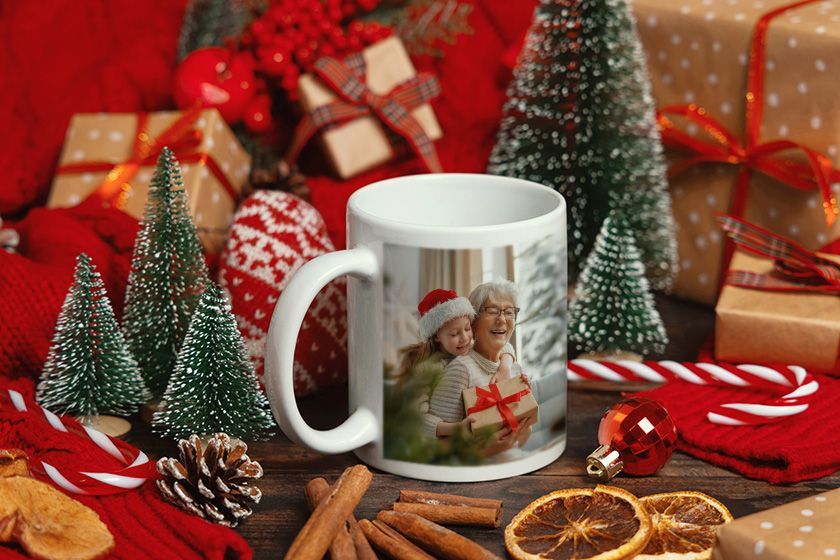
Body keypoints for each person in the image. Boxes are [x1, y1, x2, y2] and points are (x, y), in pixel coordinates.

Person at [426, 280, 534, 454]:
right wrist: (486, 451)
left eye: (509, 312)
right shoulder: (461, 370)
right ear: (473, 321)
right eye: (492, 311)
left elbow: (523, 437)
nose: (502, 319)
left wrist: (524, 425)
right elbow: (432, 446)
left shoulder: (514, 368)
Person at [396, 288, 515, 438]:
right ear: (437, 336)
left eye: (467, 329)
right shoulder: (427, 369)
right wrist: (456, 428)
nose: (465, 338)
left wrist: (504, 367)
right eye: (455, 333)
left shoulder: (468, 349)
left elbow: (505, 346)